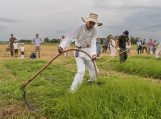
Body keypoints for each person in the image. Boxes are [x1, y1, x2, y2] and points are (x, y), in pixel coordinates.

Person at [57, 13, 102, 92]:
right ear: (87, 21)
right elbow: (69, 37)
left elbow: (93, 43)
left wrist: (94, 54)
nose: (91, 25)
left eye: (93, 23)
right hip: (78, 51)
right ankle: (72, 91)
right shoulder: (79, 28)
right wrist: (62, 46)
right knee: (81, 71)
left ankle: (91, 82)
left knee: (95, 70)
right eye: (90, 22)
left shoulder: (94, 31)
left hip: (88, 51)